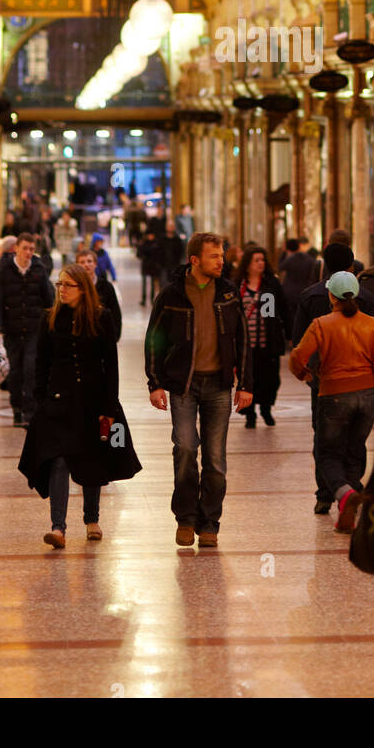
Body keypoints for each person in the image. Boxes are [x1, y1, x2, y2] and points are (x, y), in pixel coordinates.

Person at [18, 264, 141, 548]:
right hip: (58, 402)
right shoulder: (49, 318)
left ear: (82, 289)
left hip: (92, 401)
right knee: (58, 461)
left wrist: (109, 408)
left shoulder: (101, 318)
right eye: (59, 284)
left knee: (91, 459)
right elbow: (42, 362)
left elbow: (110, 364)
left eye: (67, 285)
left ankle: (92, 520)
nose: (61, 290)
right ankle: (58, 527)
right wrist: (40, 400)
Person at [145, 232, 253, 547]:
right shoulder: (171, 295)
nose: (222, 261)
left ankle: (210, 523)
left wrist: (245, 384)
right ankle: (185, 518)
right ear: (195, 260)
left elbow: (243, 341)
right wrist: (155, 383)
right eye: (214, 256)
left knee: (216, 460)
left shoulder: (229, 294)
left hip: (219, 385)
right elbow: (155, 338)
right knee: (186, 449)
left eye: (222, 255)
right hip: (183, 385)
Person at [290, 271, 374, 533]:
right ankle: (349, 504)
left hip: (333, 394)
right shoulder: (373, 325)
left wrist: (304, 374)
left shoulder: (322, 324)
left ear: (331, 296)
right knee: (355, 449)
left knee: (327, 452)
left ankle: (344, 495)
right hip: (368, 396)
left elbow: (297, 356)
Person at [0, 232, 55, 426]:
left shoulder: (39, 268)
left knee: (30, 369)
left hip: (34, 328)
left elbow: (48, 299)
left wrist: (51, 325)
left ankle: (28, 411)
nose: (28, 252)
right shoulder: (4, 269)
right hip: (12, 328)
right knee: (15, 371)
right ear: (16, 248)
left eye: (32, 249)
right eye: (25, 248)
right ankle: (16, 407)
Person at [234, 245, 289, 427]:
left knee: (270, 380)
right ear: (248, 264)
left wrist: (290, 335)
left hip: (267, 343)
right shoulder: (237, 285)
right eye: (256, 260)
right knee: (249, 381)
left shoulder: (270, 284)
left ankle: (266, 409)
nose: (261, 263)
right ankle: (250, 414)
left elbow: (279, 310)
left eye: (263, 260)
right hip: (246, 346)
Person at [76, 246, 122, 342]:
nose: (86, 265)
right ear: (77, 265)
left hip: (102, 338)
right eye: (82, 262)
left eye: (89, 261)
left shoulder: (106, 287)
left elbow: (115, 313)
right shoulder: (74, 287)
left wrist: (114, 336)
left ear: (95, 264)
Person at [278, 237, 320, 317]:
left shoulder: (289, 260)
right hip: (305, 291)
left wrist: (283, 253)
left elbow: (280, 267)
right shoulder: (309, 259)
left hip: (290, 293)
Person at [137, 220, 164, 306]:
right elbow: (139, 254)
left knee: (152, 283)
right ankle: (144, 299)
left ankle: (152, 299)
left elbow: (159, 254)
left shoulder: (156, 243)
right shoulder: (144, 243)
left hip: (152, 266)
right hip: (146, 265)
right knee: (145, 283)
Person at [160, 217, 186, 291]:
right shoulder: (162, 239)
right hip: (164, 266)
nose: (171, 228)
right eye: (169, 226)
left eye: (172, 226)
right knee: (164, 286)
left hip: (175, 265)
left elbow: (181, 252)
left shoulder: (177, 240)